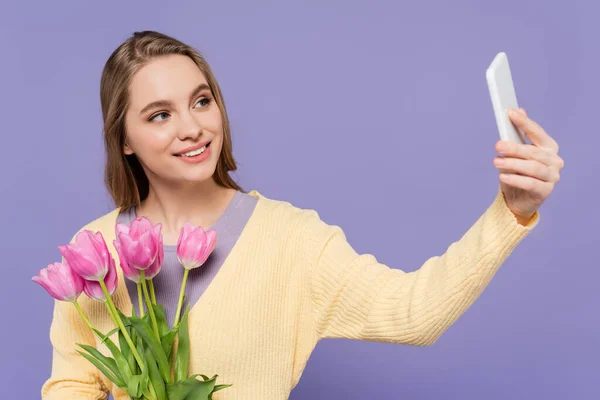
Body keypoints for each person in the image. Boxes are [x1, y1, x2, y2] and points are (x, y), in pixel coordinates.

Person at [41, 31, 564, 400]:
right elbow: (71, 386)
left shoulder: (290, 240)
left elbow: (415, 314)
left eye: (201, 102)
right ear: (125, 140)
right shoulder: (94, 253)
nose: (192, 128)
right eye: (160, 115)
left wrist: (510, 213)